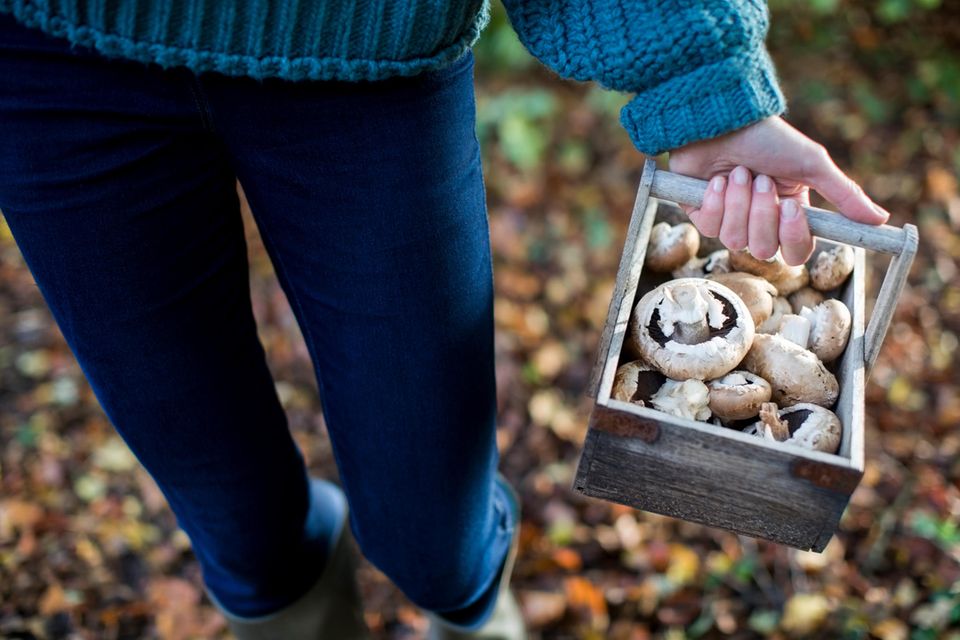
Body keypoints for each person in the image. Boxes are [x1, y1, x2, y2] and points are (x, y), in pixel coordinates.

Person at [0, 1, 889, 638]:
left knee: (434, 531)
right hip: (51, 63)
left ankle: (470, 606)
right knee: (235, 524)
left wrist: (697, 75)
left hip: (370, 55)